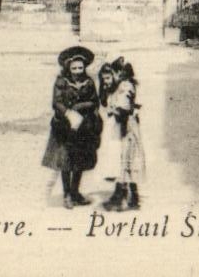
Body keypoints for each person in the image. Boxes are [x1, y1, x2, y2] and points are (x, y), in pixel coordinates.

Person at [41, 45, 103, 208]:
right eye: (74, 68)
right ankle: (67, 194)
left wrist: (80, 108)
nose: (77, 71)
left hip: (83, 127)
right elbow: (57, 102)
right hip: (65, 127)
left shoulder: (88, 82)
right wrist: (69, 113)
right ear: (68, 67)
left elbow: (95, 101)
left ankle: (76, 192)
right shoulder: (61, 82)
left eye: (80, 68)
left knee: (80, 160)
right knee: (66, 161)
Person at [103, 57, 145, 211]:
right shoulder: (123, 85)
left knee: (125, 159)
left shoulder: (124, 86)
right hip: (127, 126)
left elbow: (124, 109)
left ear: (119, 73)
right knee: (127, 160)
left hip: (126, 128)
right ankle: (132, 196)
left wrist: (114, 111)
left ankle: (121, 196)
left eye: (112, 74)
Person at [94, 61, 122, 190]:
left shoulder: (121, 88)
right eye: (103, 79)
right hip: (111, 120)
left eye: (108, 78)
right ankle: (112, 170)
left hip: (120, 119)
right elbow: (105, 104)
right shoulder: (106, 90)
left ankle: (118, 171)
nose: (106, 81)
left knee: (117, 143)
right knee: (111, 143)